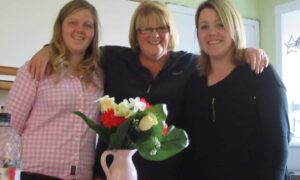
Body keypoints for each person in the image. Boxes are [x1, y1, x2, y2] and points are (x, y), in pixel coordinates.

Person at [27, 1, 270, 180]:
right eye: (145, 29)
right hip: (112, 172)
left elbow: (220, 56)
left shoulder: (190, 64)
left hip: (167, 172)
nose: (154, 35)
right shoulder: (113, 58)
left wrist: (245, 52)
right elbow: (77, 45)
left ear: (170, 31)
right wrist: (48, 48)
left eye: (161, 28)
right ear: (136, 34)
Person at [180, 0, 291, 179]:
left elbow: (277, 149)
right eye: (204, 26)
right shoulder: (194, 83)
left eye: (220, 24)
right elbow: (191, 147)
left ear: (235, 28)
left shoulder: (260, 73)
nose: (212, 32)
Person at [4, 0, 104, 179]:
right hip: (33, 174)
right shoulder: (35, 69)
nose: (80, 29)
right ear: (60, 27)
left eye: (88, 25)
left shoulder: (98, 77)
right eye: (73, 22)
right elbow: (8, 129)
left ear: (94, 33)